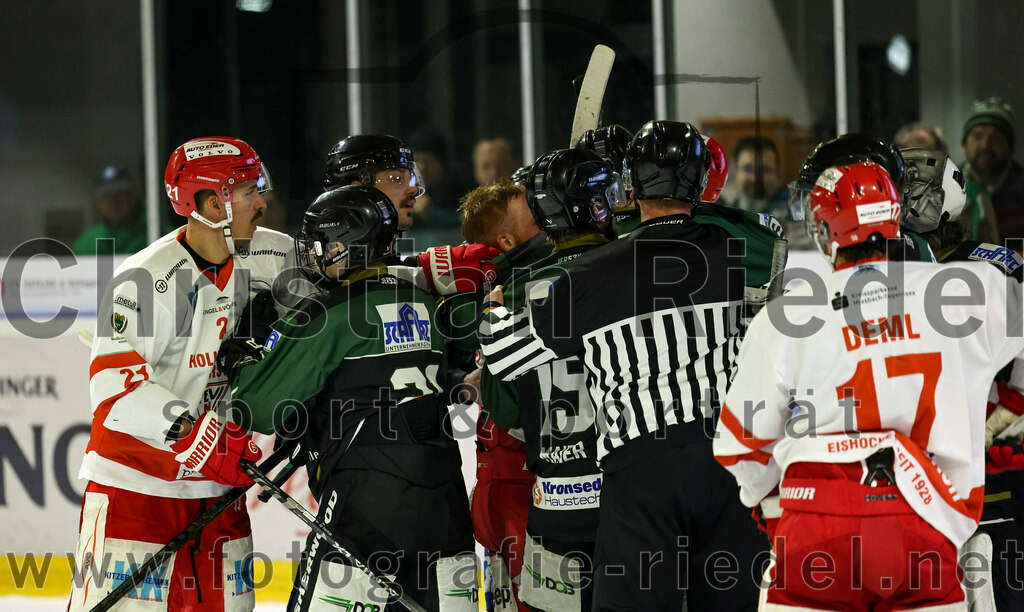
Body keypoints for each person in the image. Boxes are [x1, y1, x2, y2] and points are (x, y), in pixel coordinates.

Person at [479, 121, 766, 611]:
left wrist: (494, 310)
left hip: (640, 471)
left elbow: (507, 360)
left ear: (628, 188)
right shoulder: (742, 253)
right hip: (729, 465)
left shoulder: (593, 273)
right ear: (702, 183)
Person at [713, 160, 1024, 609]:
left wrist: (778, 507)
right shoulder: (968, 289)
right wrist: (1009, 405)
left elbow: (739, 444)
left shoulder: (787, 316)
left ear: (821, 232)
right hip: (928, 526)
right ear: (896, 219)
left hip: (817, 530)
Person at [223, 185, 477, 611]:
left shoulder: (328, 313)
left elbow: (257, 407)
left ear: (345, 248)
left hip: (367, 509)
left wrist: (243, 357)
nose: (316, 256)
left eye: (322, 245)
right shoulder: (422, 301)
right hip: (445, 505)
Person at [67, 137, 293, 611]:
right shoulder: (144, 279)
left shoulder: (274, 255)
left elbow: (347, 278)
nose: (262, 202)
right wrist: (197, 437)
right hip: (137, 490)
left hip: (218, 493)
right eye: (249, 191)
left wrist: (429, 270)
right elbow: (111, 388)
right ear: (212, 203)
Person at [481, 148, 621, 611]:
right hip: (624, 495)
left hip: (553, 499)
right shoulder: (632, 273)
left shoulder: (514, 289)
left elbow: (502, 408)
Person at [449, 175, 551, 611]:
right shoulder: (523, 288)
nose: (548, 214)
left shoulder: (481, 288)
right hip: (520, 484)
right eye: (534, 211)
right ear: (507, 238)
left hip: (499, 479)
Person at [323, 134, 425, 232]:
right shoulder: (331, 249)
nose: (414, 190)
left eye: (411, 178)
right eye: (397, 178)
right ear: (356, 191)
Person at [961, 97, 1024, 242]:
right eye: (977, 136)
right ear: (964, 146)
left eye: (995, 138)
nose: (985, 145)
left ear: (1010, 148)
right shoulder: (944, 189)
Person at [73, 165, 149, 255]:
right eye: (106, 195)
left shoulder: (158, 234)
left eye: (121, 194)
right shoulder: (86, 243)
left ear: (133, 196)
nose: (114, 202)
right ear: (98, 202)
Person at [729, 136, 789, 219]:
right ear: (735, 172)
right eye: (747, 169)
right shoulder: (726, 213)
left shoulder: (794, 210)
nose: (754, 179)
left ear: (778, 173)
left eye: (764, 170)